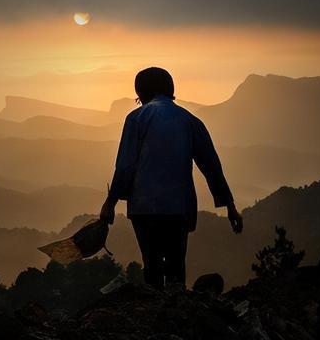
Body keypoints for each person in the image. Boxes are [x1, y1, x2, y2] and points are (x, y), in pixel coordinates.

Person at [100, 67, 243, 290]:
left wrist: (110, 203)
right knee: (176, 267)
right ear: (170, 89)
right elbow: (211, 166)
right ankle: (177, 313)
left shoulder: (136, 118)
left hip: (144, 208)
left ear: (141, 92)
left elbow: (126, 166)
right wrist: (230, 206)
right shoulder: (191, 121)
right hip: (179, 207)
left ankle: (156, 315)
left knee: (152, 267)